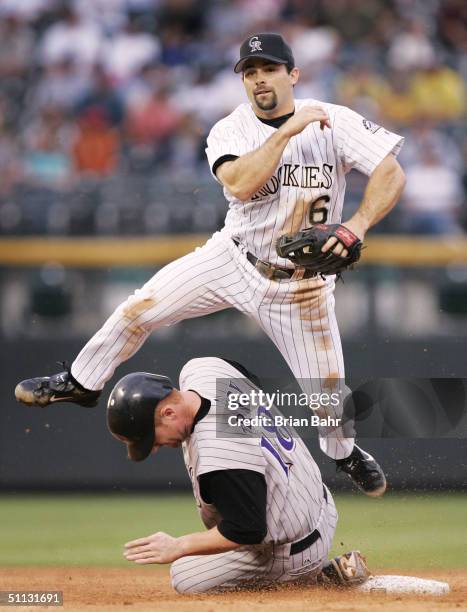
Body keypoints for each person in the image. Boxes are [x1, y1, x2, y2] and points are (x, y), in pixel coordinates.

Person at [16, 32, 405, 496]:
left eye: (270, 69)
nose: (260, 80)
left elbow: (391, 172)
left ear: (293, 74)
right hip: (233, 259)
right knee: (138, 309)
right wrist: (286, 131)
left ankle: (344, 455)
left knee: (328, 402)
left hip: (301, 288)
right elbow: (239, 183)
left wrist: (355, 227)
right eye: (250, 72)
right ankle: (81, 382)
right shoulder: (231, 128)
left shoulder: (333, 121)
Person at [107, 356, 370, 593]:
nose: (153, 448)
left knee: (185, 576)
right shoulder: (204, 371)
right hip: (316, 501)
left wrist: (178, 545)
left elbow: (247, 529)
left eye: (151, 437)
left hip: (295, 549)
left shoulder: (220, 452)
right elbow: (250, 379)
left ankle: (315, 578)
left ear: (168, 412)